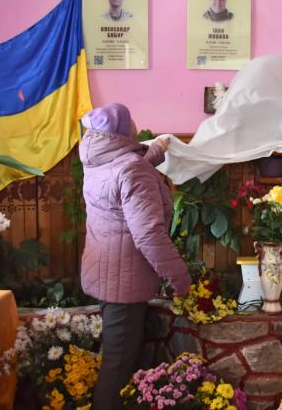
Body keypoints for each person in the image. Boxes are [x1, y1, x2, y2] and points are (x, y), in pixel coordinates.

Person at [79, 103, 191, 410]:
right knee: (117, 369)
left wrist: (153, 154)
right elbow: (149, 234)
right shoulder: (131, 168)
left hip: (104, 272)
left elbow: (121, 180)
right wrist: (180, 278)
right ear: (122, 131)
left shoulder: (96, 159)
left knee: (117, 357)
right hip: (123, 282)